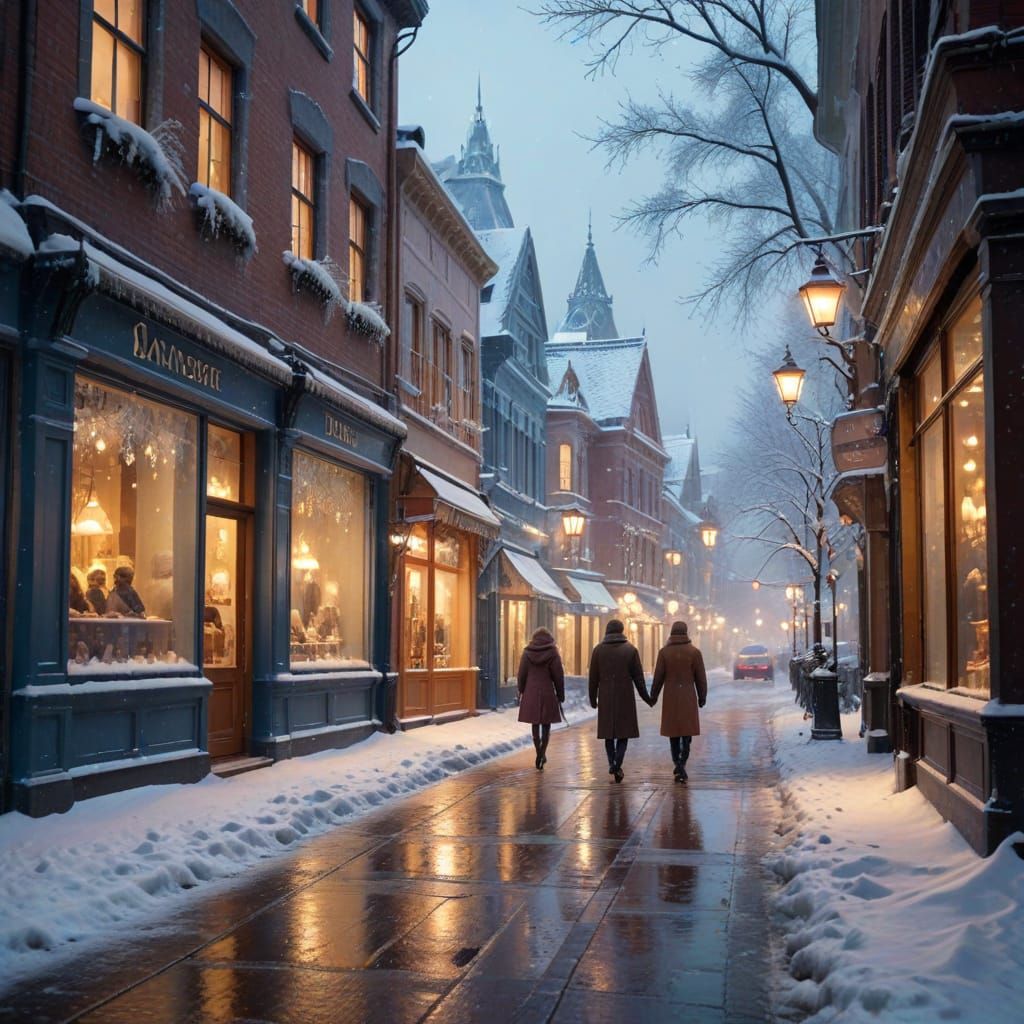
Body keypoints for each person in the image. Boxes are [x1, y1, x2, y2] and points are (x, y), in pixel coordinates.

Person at [588, 619, 651, 782]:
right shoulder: (630, 650)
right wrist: (647, 698)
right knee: (623, 733)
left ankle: (612, 762)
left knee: (608, 733)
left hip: (606, 695)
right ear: (622, 631)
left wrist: (592, 698)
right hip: (625, 696)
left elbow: (593, 678)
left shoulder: (598, 651)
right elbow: (638, 678)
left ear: (607, 631)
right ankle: (617, 764)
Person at [649, 621, 708, 782]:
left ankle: (677, 763)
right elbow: (701, 678)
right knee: (687, 734)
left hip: (670, 698)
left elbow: (658, 678)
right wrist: (702, 697)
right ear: (686, 632)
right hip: (688, 696)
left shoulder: (664, 653)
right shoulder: (694, 653)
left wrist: (653, 697)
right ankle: (682, 763)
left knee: (673, 734)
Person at [517, 627, 565, 770]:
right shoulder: (553, 652)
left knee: (535, 724)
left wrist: (521, 690)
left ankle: (538, 752)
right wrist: (560, 694)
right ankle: (542, 753)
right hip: (547, 691)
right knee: (546, 724)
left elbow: (521, 674)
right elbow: (558, 676)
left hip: (531, 691)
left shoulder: (527, 652)